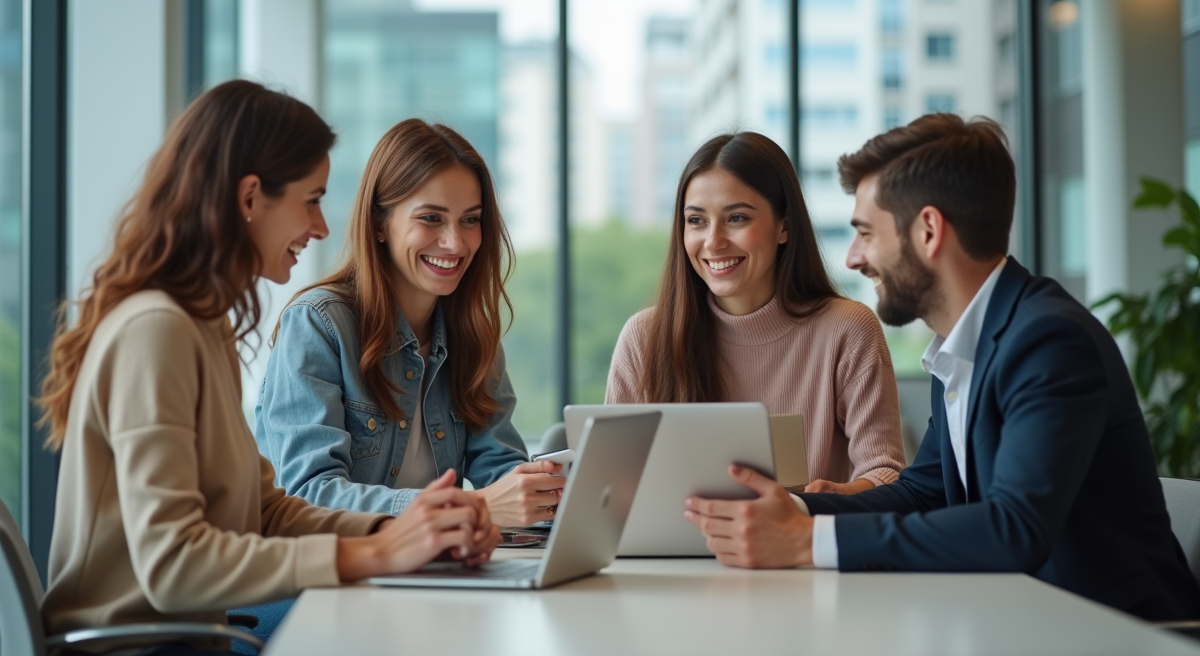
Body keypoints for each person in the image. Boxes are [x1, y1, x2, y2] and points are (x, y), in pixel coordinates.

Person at [682, 113, 1200, 621]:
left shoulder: (1048, 341)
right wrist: (794, 511)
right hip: (1028, 621)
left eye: (867, 233)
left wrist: (807, 540)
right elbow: (922, 492)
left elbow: (1014, 528)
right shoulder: (963, 345)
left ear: (928, 231)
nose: (854, 258)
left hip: (1120, 633)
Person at [37, 81, 498, 648]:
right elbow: (172, 564)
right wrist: (374, 552)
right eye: (311, 200)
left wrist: (401, 529)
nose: (322, 227)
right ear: (251, 198)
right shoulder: (155, 330)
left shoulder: (202, 327)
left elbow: (268, 511)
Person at [255, 119, 564, 527]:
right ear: (379, 224)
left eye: (470, 220)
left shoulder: (472, 335)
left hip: (429, 562)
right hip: (331, 567)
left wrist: (549, 495)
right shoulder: (318, 325)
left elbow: (500, 473)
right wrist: (472, 507)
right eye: (431, 218)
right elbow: (310, 495)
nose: (455, 242)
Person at [607, 131, 905, 494]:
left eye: (736, 218)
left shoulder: (847, 330)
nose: (713, 242)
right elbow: (611, 488)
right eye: (697, 221)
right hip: (671, 534)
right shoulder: (644, 337)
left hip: (802, 530)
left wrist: (827, 500)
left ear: (784, 226)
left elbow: (885, 472)